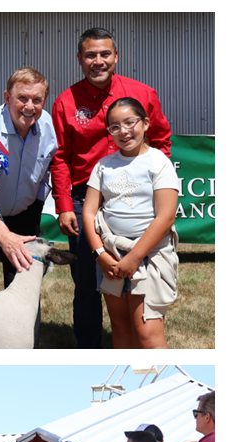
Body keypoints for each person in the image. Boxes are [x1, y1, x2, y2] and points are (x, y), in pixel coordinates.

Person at [50, 27, 172, 349]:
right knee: (88, 282)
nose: (98, 61)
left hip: (134, 197)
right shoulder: (65, 101)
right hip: (83, 200)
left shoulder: (142, 94)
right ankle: (90, 348)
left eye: (105, 54)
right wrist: (63, 205)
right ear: (79, 59)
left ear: (116, 56)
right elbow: (60, 157)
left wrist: (151, 184)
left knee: (143, 271)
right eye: (91, 55)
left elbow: (161, 141)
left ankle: (143, 331)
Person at [0, 67, 57, 346]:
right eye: (22, 98)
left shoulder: (48, 127)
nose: (30, 107)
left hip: (25, 216)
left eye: (37, 100)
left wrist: (38, 202)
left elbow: (47, 171)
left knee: (24, 290)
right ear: (7, 97)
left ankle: (26, 346)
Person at [81, 97, 178, 349]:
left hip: (148, 257)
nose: (123, 131)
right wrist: (100, 254)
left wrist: (134, 257)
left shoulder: (159, 163)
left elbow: (166, 216)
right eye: (114, 126)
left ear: (145, 123)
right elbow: (89, 212)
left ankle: (162, 383)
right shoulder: (104, 165)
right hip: (112, 258)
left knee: (147, 333)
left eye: (129, 122)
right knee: (121, 328)